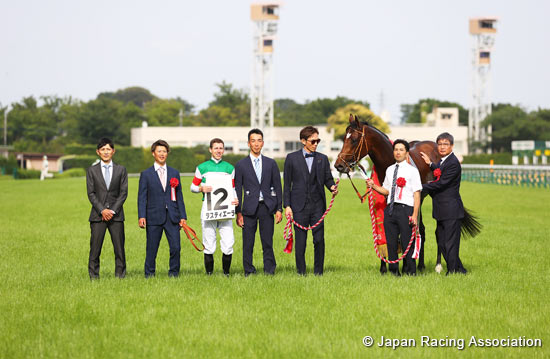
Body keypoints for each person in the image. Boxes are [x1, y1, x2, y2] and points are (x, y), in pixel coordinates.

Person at [283, 126, 338, 276]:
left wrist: (332, 187)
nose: (316, 144)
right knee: (300, 243)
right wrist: (287, 206)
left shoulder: (323, 158)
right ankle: (301, 272)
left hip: (318, 206)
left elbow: (328, 179)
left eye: (317, 141)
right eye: (313, 141)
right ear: (303, 141)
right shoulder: (291, 158)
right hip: (298, 206)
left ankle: (318, 272)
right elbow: (287, 184)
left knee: (319, 240)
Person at [366, 139, 422, 276]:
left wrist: (415, 215)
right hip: (390, 209)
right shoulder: (390, 170)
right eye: (396, 149)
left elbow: (417, 195)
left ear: (406, 153)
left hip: (406, 209)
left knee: (407, 241)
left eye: (401, 150)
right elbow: (386, 191)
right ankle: (394, 271)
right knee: (391, 242)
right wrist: (373, 186)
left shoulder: (412, 171)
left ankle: (410, 271)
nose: (398, 152)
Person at [235, 129, 283, 276]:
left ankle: (269, 270)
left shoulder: (271, 163)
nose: (256, 144)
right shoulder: (241, 165)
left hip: (267, 207)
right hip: (248, 209)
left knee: (267, 241)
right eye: (253, 140)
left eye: (259, 140)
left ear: (263, 143)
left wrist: (279, 209)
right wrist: (238, 212)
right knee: (248, 243)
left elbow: (278, 187)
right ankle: (249, 271)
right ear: (248, 143)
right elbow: (237, 190)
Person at [138, 139, 187, 278]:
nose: (162, 154)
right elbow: (142, 197)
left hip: (172, 216)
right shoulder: (146, 174)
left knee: (176, 248)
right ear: (153, 153)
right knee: (152, 248)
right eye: (159, 151)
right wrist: (142, 216)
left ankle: (174, 273)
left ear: (167, 153)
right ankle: (149, 274)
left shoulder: (174, 173)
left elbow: (179, 197)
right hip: (153, 216)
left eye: (164, 151)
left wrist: (183, 217)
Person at [420, 132, 467, 275]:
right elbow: (440, 171)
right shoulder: (443, 161)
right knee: (442, 242)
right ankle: (460, 269)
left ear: (452, 146)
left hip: (451, 210)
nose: (442, 147)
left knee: (450, 243)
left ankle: (452, 272)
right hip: (441, 210)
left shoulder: (453, 163)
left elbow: (442, 183)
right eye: (439, 144)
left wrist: (420, 186)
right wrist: (431, 165)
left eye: (445, 144)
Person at [190, 138, 238, 276]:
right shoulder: (202, 167)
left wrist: (236, 200)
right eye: (216, 148)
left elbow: (232, 188)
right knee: (209, 243)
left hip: (225, 210)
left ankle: (226, 273)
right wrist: (201, 188)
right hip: (208, 209)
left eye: (221, 148)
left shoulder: (230, 168)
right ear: (210, 149)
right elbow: (192, 187)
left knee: (228, 243)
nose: (218, 151)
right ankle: (209, 274)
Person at [86, 138, 128, 279]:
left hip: (116, 216)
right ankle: (93, 276)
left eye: (108, 149)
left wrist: (112, 210)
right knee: (95, 249)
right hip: (98, 216)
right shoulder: (91, 171)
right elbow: (91, 193)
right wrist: (102, 210)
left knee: (119, 248)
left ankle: (120, 276)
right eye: (103, 149)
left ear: (113, 151)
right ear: (98, 152)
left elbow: (123, 193)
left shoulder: (121, 170)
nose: (106, 152)